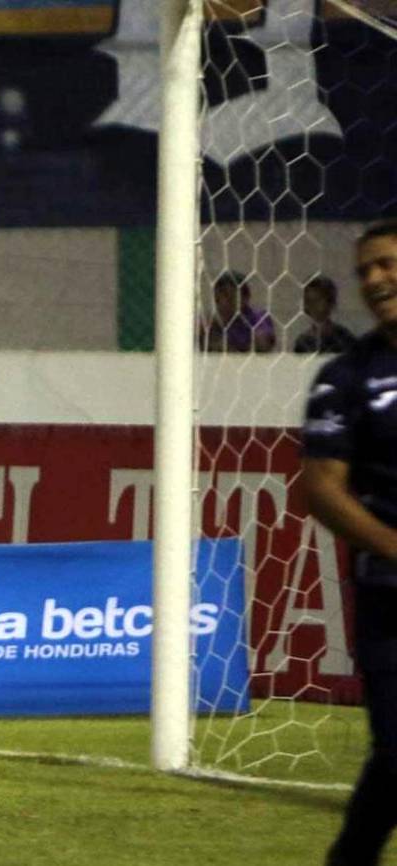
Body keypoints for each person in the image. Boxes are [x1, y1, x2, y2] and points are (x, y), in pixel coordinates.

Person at [301, 221, 397, 866]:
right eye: (365, 270)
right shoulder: (347, 376)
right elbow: (322, 489)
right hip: (389, 597)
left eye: (387, 265)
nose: (374, 280)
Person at [198, 271, 277, 353]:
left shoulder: (259, 317)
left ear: (245, 298)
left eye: (230, 298)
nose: (223, 304)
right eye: (217, 299)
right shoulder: (212, 323)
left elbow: (263, 344)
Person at [294, 276, 356, 355]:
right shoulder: (303, 342)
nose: (312, 305)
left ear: (330, 302)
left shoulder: (344, 338)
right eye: (308, 301)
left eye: (317, 300)